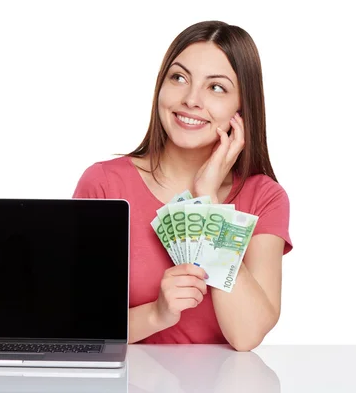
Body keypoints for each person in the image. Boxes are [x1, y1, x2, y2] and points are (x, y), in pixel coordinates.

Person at [72, 20, 293, 351]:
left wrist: (208, 201)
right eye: (179, 78)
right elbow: (79, 326)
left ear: (241, 107)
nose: (191, 99)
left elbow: (246, 335)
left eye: (216, 87)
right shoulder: (105, 184)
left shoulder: (265, 198)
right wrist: (157, 315)